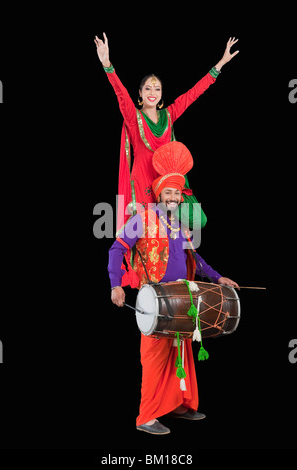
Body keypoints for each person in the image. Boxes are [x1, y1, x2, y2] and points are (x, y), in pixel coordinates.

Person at [108, 141, 239, 435]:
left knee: (181, 354)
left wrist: (219, 278)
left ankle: (179, 404)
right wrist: (116, 285)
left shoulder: (179, 224)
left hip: (181, 298)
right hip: (155, 299)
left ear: (181, 198)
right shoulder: (141, 219)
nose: (173, 197)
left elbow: (196, 258)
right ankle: (146, 417)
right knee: (154, 358)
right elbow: (116, 249)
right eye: (168, 192)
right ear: (159, 194)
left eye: (177, 193)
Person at [94, 34, 239, 231]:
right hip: (144, 179)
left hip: (166, 181)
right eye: (148, 88)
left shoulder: (168, 115)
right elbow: (121, 93)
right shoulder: (133, 117)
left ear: (161, 94)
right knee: (148, 233)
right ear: (140, 93)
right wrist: (107, 64)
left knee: (184, 226)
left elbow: (193, 94)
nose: (152, 92)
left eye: (157, 89)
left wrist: (220, 64)